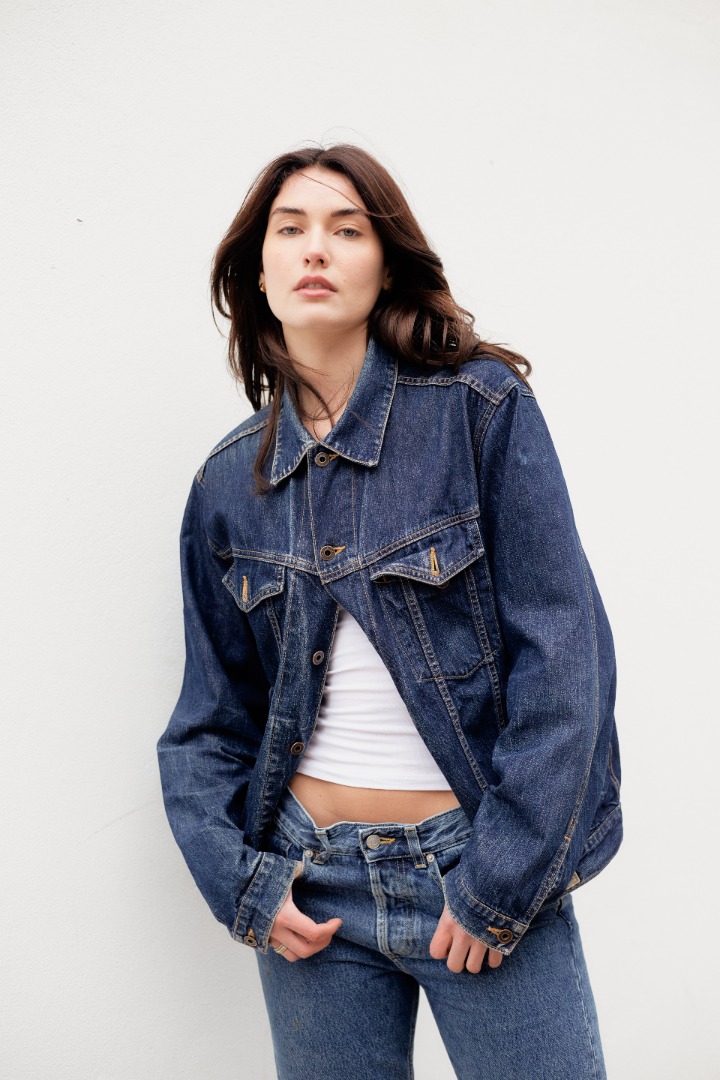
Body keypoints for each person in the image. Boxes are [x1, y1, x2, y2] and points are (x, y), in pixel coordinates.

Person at [157, 144, 621, 1080]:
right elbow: (209, 723)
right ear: (259, 273)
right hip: (310, 884)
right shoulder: (226, 485)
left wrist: (500, 883)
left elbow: (565, 656)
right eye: (290, 229)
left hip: (476, 869)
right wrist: (247, 887)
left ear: (386, 265)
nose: (315, 249)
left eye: (347, 229)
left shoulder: (478, 411)